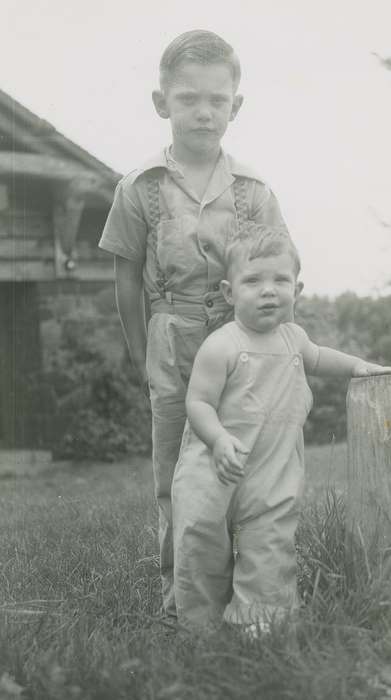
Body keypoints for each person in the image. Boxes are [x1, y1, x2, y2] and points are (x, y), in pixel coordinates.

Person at [98, 30, 290, 621]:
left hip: (240, 346)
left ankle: (246, 595)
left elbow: (276, 275)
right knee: (176, 475)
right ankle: (181, 603)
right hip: (171, 339)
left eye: (216, 99)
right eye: (187, 99)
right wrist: (140, 354)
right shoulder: (141, 187)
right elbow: (126, 278)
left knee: (242, 463)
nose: (203, 111)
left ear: (236, 106)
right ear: (162, 103)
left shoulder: (254, 191)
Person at [171, 227, 391, 633]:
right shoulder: (221, 346)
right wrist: (218, 439)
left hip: (272, 476)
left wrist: (357, 365)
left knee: (269, 550)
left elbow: (321, 358)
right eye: (253, 280)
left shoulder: (294, 339)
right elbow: (198, 402)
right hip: (214, 470)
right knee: (202, 548)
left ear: (298, 289)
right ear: (228, 292)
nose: (268, 290)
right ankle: (200, 632)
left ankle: (260, 626)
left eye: (280, 280)